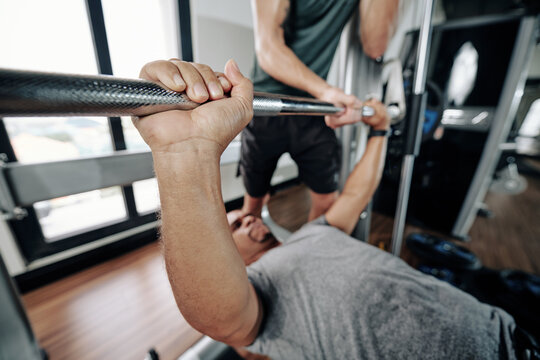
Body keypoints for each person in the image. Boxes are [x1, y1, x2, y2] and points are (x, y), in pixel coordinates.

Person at [133, 59, 527, 359]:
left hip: (506, 331)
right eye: (235, 224)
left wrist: (381, 129)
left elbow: (355, 195)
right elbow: (219, 317)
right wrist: (186, 154)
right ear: (225, 254)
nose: (249, 217)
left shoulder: (313, 234)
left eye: (242, 216)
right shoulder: (256, 305)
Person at [240, 0, 400, 221]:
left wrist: (324, 94)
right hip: (268, 105)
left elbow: (375, 46)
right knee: (254, 202)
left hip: (314, 108)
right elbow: (268, 48)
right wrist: (325, 91)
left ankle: (308, 253)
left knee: (326, 203)